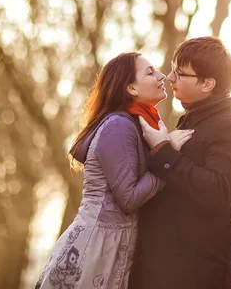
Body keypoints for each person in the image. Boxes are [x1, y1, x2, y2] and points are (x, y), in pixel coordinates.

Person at [35, 52, 193, 289]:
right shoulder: (118, 126)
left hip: (115, 245)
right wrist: (166, 154)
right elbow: (128, 198)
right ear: (130, 88)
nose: (162, 76)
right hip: (94, 247)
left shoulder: (139, 123)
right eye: (150, 72)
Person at [129, 37, 231, 289]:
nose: (169, 77)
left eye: (180, 73)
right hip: (164, 267)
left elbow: (217, 190)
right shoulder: (194, 118)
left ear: (208, 83)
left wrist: (163, 152)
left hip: (193, 272)